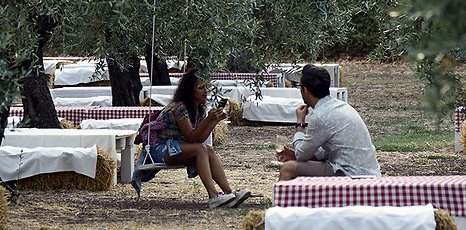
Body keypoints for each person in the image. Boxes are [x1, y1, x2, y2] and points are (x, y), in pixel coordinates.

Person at [131, 68, 251, 209]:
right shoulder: (179, 108)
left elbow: (198, 139)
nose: (205, 91)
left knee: (208, 149)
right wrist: (209, 120)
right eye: (200, 88)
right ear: (190, 90)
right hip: (159, 149)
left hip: (176, 147)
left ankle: (229, 193)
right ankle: (213, 196)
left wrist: (214, 121)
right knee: (201, 149)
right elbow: (191, 136)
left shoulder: (199, 109)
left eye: (207, 87)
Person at [277, 64, 381, 180]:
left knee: (288, 168)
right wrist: (295, 154)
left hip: (352, 175)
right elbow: (326, 152)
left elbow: (301, 155)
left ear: (305, 91)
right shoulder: (340, 106)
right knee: (297, 165)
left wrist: (300, 124)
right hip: (368, 172)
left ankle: (283, 198)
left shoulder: (320, 116)